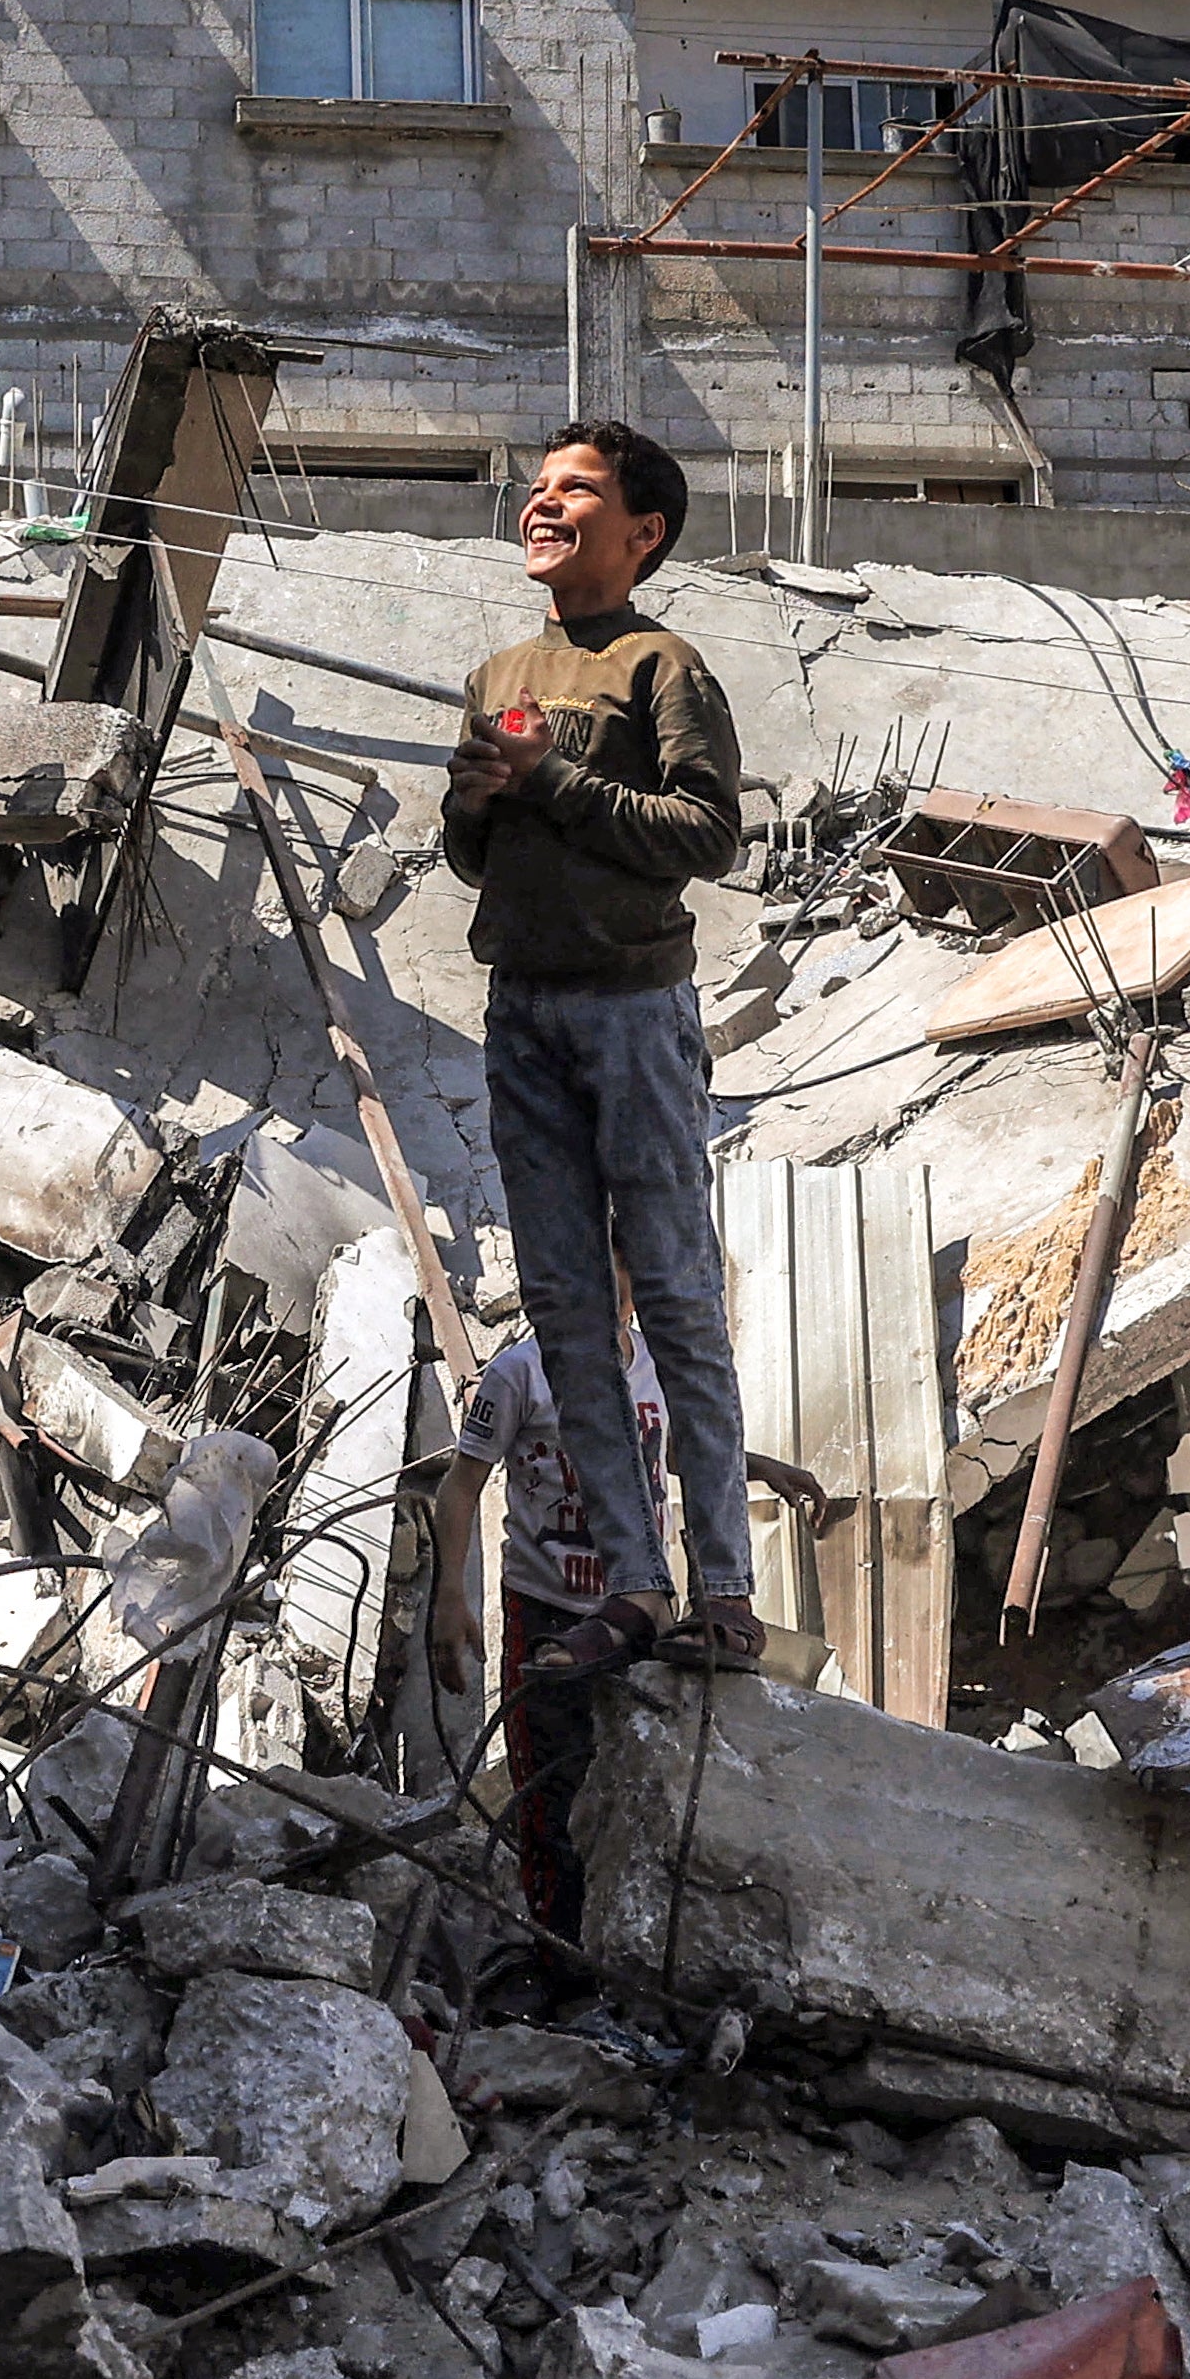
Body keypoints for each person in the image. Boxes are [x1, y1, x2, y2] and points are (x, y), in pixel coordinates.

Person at [440, 421, 762, 1662]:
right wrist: (477, 804)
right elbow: (473, 852)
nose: (544, 503)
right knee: (570, 1310)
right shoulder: (495, 671)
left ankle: (722, 1593)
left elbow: (706, 834)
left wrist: (551, 783)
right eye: (536, 487)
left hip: (633, 1010)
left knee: (674, 1295)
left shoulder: (661, 666)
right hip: (521, 1009)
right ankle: (633, 1587)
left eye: (576, 489)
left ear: (642, 534)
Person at [436, 1295, 826, 1953]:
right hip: (549, 1614)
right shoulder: (519, 1374)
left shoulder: (653, 1366)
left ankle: (627, 1955)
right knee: (552, 1797)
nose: (615, 1284)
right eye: (602, 1260)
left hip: (640, 1615)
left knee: (636, 1790)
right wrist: (450, 1595)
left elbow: (672, 1452)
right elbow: (460, 1485)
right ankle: (559, 1963)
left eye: (626, 1264)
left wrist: (756, 1466)